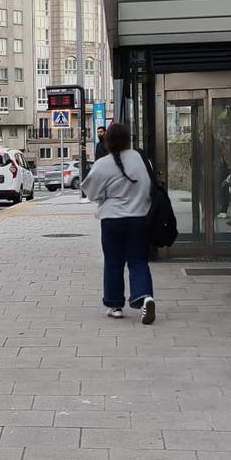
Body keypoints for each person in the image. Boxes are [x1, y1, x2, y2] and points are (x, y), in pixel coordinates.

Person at [80, 121, 156, 325]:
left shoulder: (102, 164)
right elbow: (150, 187)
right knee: (138, 261)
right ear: (128, 140)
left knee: (113, 262)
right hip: (139, 218)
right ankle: (145, 297)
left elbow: (91, 193)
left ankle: (115, 306)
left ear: (107, 141)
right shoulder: (142, 160)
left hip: (112, 220)